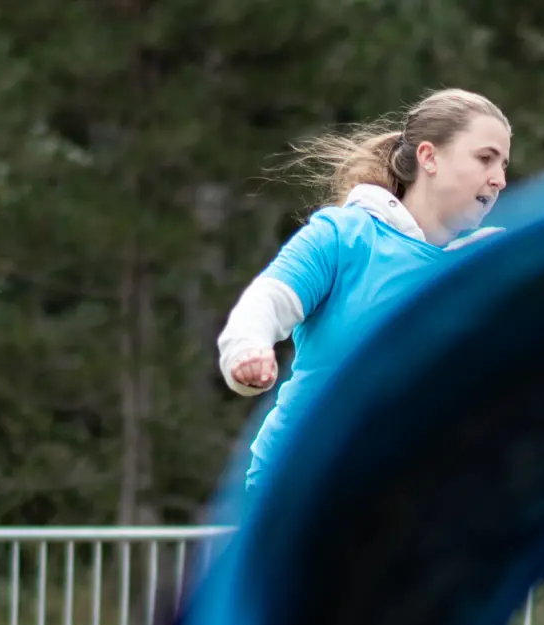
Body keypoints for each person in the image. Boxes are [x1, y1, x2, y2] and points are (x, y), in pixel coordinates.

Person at [216, 88, 512, 493]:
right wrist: (247, 350)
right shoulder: (345, 235)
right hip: (299, 490)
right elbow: (266, 302)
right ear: (429, 157)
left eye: (504, 164)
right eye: (485, 158)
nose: (499, 179)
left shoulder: (492, 265)